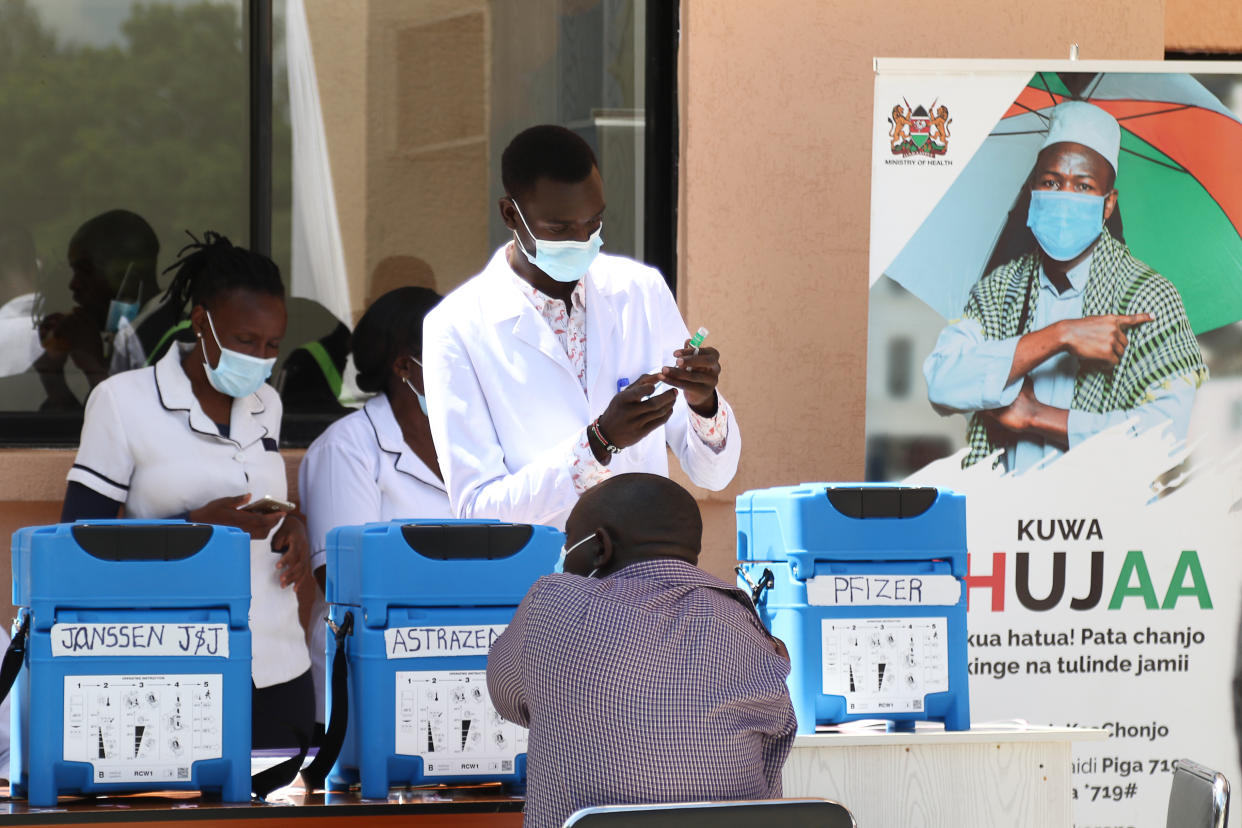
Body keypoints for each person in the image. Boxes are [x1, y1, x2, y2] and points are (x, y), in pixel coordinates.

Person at [59, 231, 314, 751]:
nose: (261, 358)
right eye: (246, 341)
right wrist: (192, 531)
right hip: (173, 667)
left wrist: (295, 528)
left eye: (272, 345)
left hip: (279, 661)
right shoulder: (122, 402)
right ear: (202, 322)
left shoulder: (268, 402)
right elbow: (75, 546)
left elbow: (266, 502)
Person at [422, 125, 740, 529]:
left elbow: (713, 474)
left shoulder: (640, 292)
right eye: (560, 229)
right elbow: (478, 509)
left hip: (643, 572)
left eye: (594, 222)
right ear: (510, 214)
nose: (582, 239)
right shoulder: (456, 328)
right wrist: (598, 444)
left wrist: (703, 403)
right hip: (540, 582)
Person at [487, 473, 796, 828]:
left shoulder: (552, 604)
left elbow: (506, 697)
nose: (562, 556)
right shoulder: (746, 626)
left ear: (599, 547)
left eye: (567, 541)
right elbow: (775, 747)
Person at [923, 101, 1207, 472]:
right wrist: (1061, 335)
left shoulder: (1146, 295)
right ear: (1032, 191)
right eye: (1051, 182)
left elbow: (1164, 436)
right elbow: (942, 383)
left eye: (1083, 186)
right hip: (1007, 517)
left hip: (1102, 522)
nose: (1064, 197)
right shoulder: (999, 290)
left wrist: (1037, 416)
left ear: (1108, 205)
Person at [298, 286, 448, 737]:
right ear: (405, 366)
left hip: (460, 672)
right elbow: (343, 581)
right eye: (454, 353)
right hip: (368, 682)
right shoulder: (347, 448)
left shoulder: (475, 442)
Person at [35, 210, 162, 406]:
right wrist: (54, 380)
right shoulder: (126, 335)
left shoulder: (174, 341)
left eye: (86, 271)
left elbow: (133, 429)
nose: (73, 285)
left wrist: (94, 365)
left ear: (130, 278)